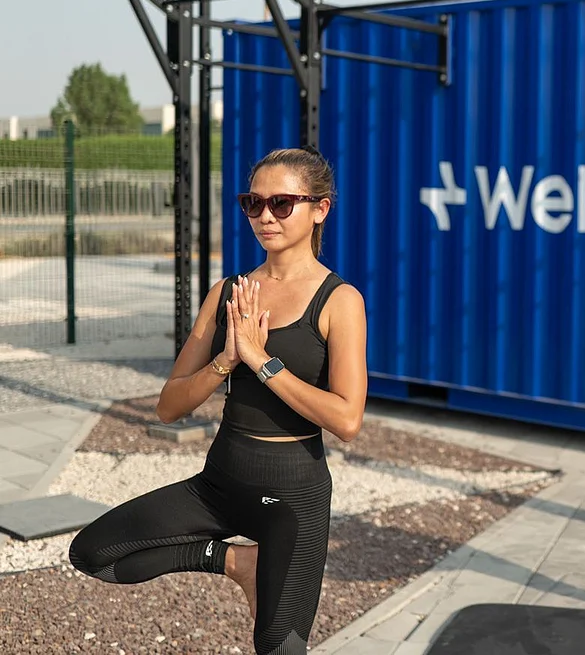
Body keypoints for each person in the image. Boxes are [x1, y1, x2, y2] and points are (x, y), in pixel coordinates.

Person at [68, 146, 368, 655]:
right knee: (92, 552)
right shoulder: (227, 293)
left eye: (281, 203)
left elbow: (347, 419)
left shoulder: (339, 301)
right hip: (219, 484)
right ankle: (236, 562)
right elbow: (168, 407)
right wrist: (226, 360)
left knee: (278, 647)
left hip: (293, 500)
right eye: (253, 203)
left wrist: (260, 359)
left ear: (320, 209)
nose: (265, 216)